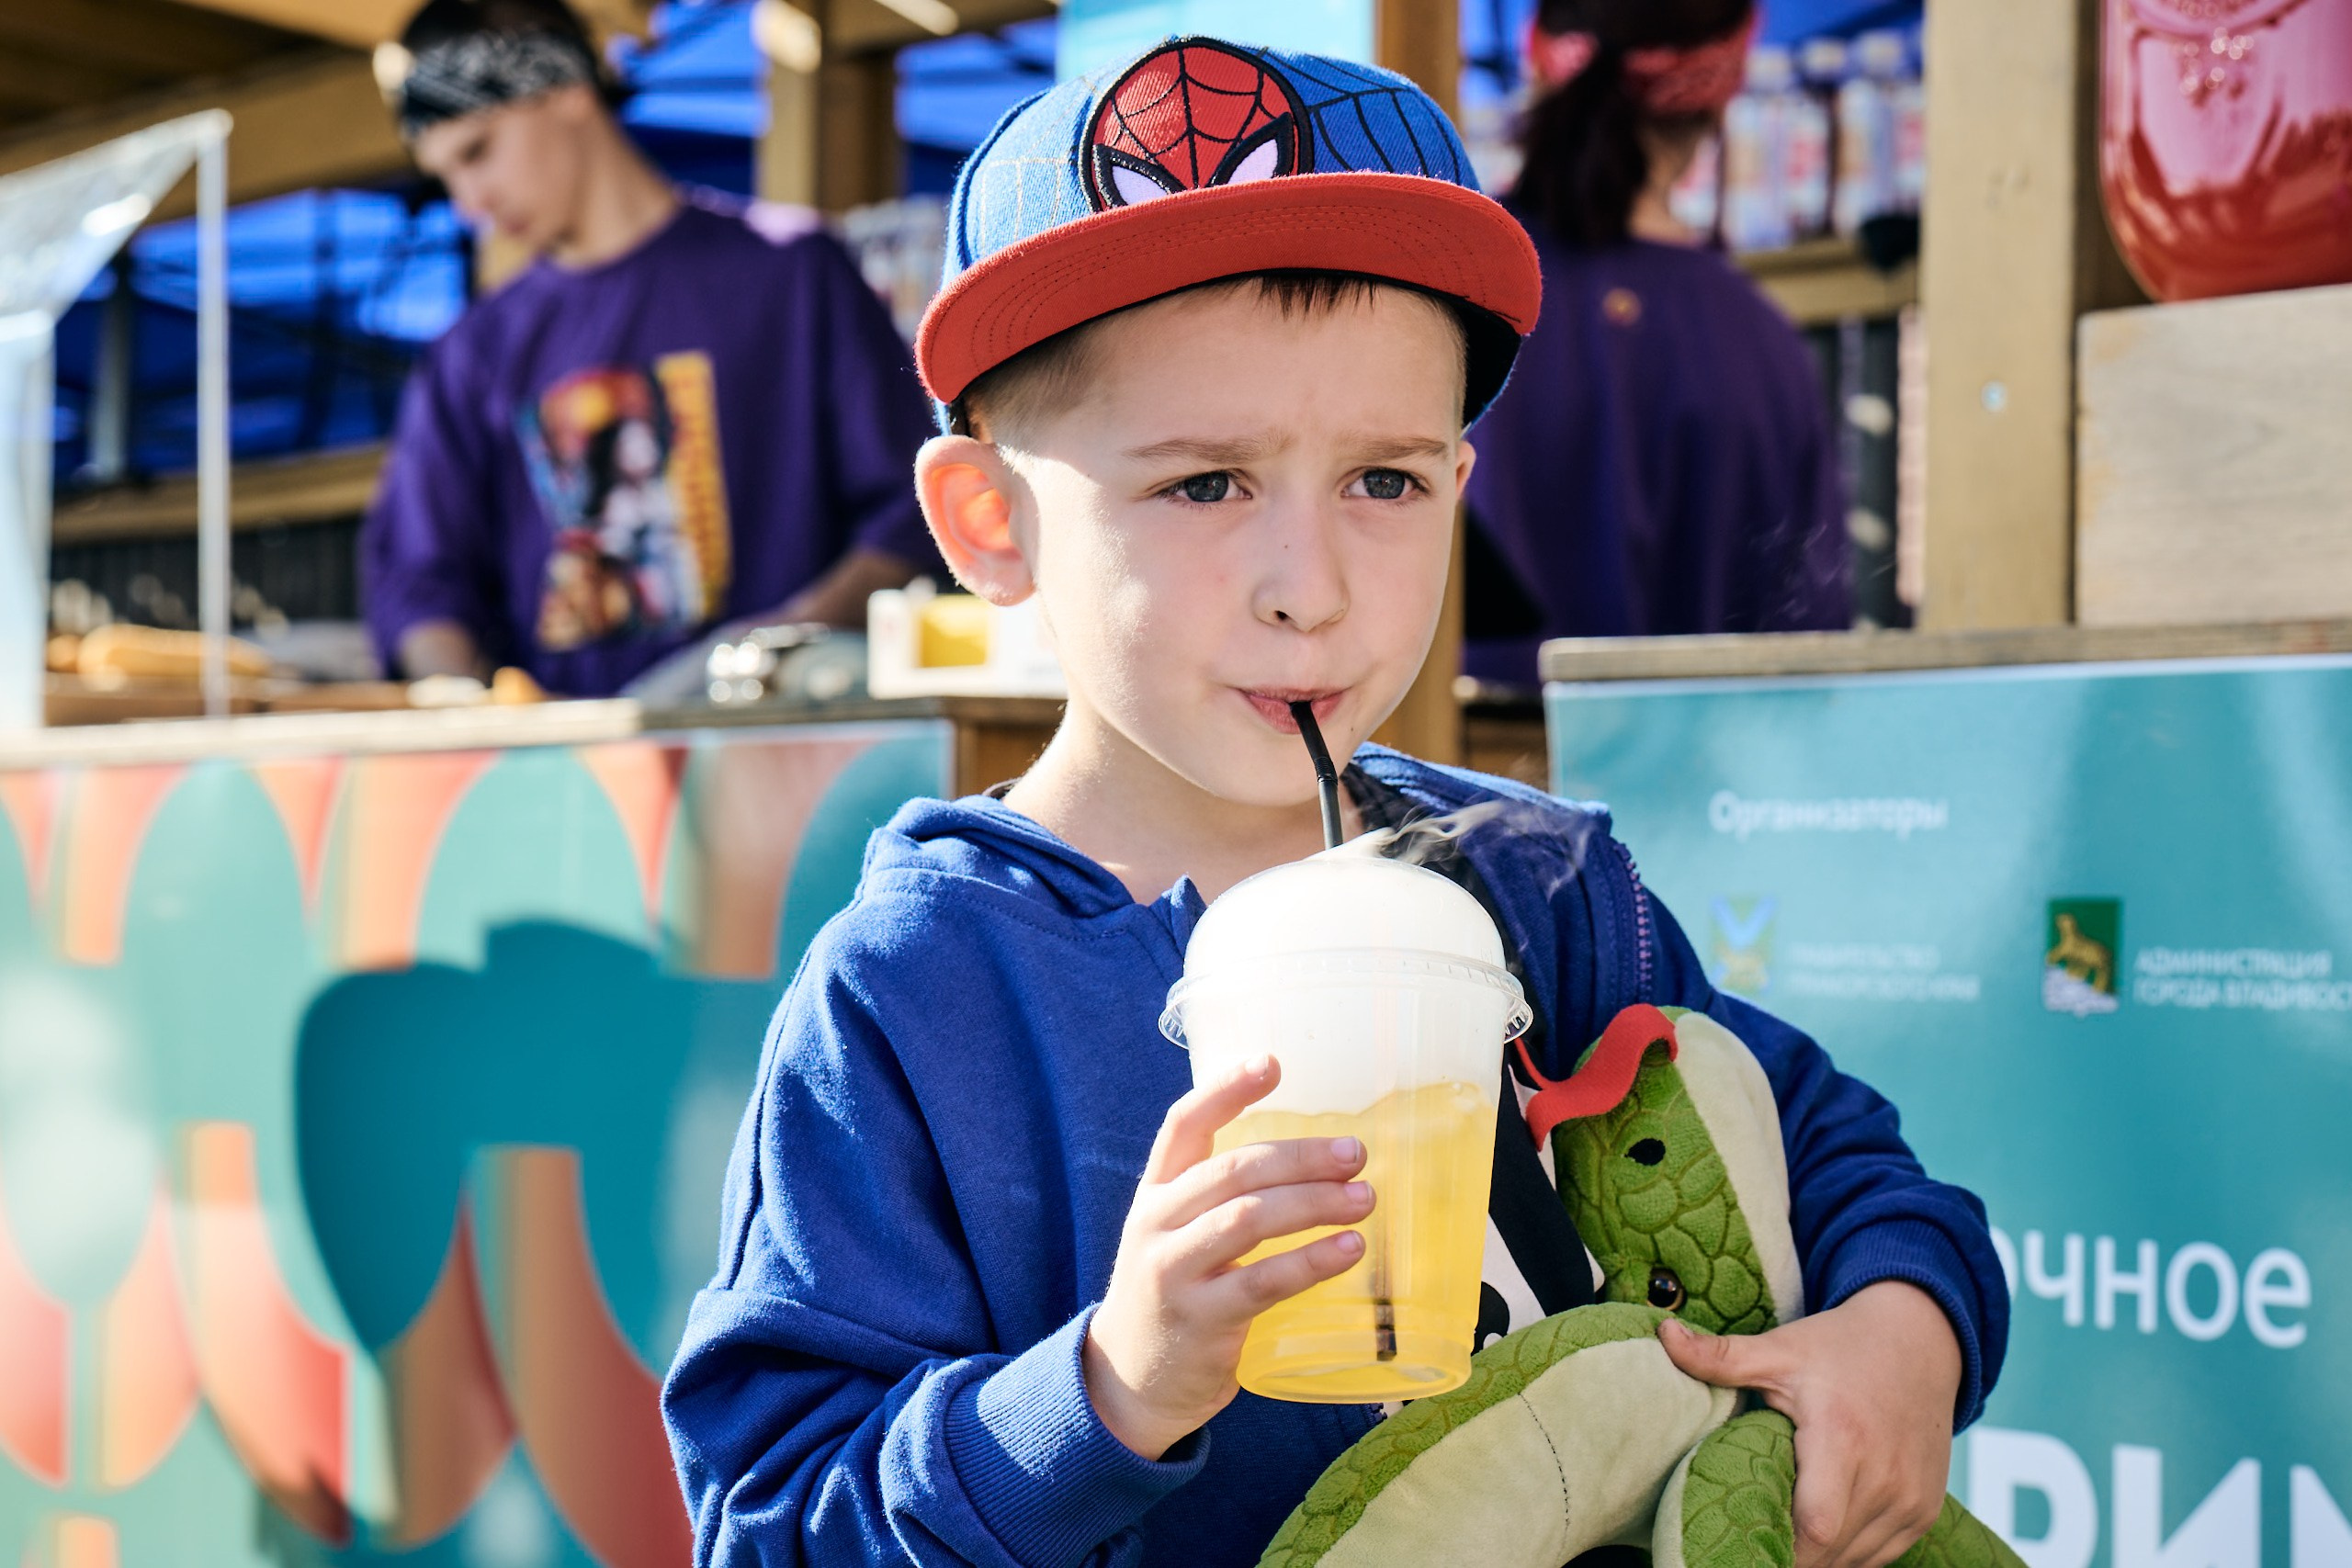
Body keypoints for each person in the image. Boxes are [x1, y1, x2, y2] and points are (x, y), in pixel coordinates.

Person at [662, 36, 2004, 1568]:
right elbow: (771, 1520)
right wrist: (1108, 1387)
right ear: (992, 520)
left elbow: (1844, 1159)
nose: (1312, 590)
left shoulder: (1545, 894)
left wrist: (1904, 1335)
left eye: (1385, 480)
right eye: (1203, 484)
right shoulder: (916, 999)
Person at [363, 0, 937, 697]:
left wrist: (769, 654)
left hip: (786, 751)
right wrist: (459, 697)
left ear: (565, 89)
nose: (471, 201)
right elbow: (420, 580)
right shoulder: (469, 355)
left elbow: (915, 513)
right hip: (568, 780)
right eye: (444, 175)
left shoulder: (791, 274)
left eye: (478, 150)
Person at [1462, 0, 1852, 687]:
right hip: (1692, 779)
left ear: (1537, 55)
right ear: (1724, 85)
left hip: (1442, 773)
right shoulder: (1758, 340)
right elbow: (1806, 651)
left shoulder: (1452, 291)